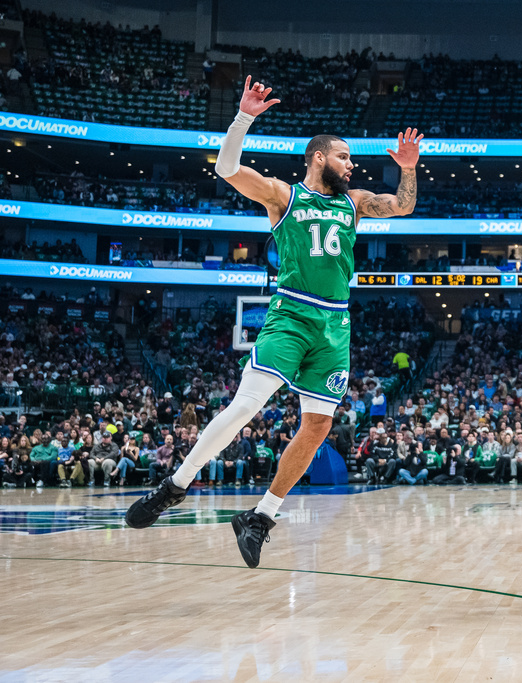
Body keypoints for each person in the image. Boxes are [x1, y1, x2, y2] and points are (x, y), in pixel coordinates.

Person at [125, 75, 423, 569]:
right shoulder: (284, 197)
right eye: (345, 157)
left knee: (319, 424)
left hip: (335, 325)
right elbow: (226, 168)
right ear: (319, 157)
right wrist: (244, 117)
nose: (353, 165)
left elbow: (404, 204)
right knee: (247, 406)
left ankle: (261, 516)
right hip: (291, 313)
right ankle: (175, 484)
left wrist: (409, 170)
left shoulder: (354, 203)